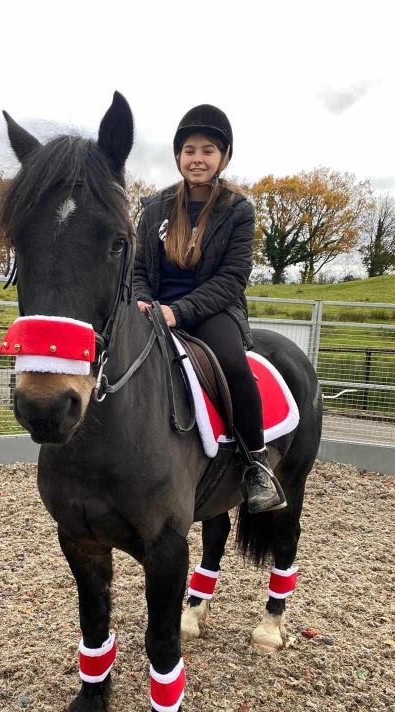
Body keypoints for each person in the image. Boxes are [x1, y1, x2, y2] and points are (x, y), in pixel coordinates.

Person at [133, 104, 284, 514]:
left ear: (224, 157)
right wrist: (145, 302)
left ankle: (256, 464)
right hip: (156, 308)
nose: (197, 158)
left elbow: (231, 279)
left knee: (234, 366)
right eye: (188, 150)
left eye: (208, 150)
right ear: (178, 156)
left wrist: (177, 313)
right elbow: (139, 269)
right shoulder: (154, 207)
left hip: (214, 311)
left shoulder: (238, 210)